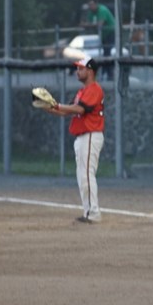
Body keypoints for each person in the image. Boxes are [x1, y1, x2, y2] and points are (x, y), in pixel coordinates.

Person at [43, 57, 106, 223]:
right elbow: (67, 111)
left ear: (90, 71)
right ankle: (89, 212)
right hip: (82, 136)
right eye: (77, 68)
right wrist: (48, 107)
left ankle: (93, 213)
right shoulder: (82, 92)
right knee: (82, 176)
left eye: (81, 68)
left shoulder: (94, 89)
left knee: (87, 175)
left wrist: (56, 105)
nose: (77, 71)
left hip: (91, 134)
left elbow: (80, 109)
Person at [83, 0, 116, 80]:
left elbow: (100, 24)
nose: (91, 7)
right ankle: (106, 73)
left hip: (110, 32)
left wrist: (88, 25)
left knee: (107, 52)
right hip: (103, 35)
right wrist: (88, 25)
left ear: (96, 4)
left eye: (92, 4)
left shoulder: (102, 10)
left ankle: (109, 74)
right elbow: (88, 23)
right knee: (105, 52)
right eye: (89, 5)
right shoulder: (91, 12)